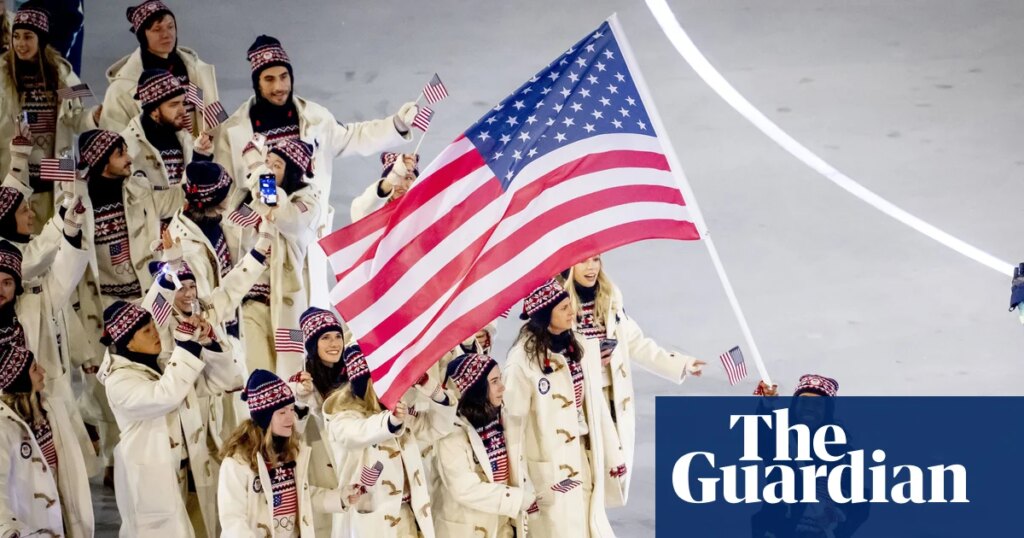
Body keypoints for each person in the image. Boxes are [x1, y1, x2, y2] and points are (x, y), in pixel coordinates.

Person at [214, 35, 418, 307]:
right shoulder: (234, 131)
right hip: (259, 243)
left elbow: (353, 136)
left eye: (284, 77)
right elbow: (224, 192)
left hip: (305, 235)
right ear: (257, 83)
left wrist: (396, 125)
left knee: (307, 318)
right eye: (269, 79)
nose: (279, 87)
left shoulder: (315, 118)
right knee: (260, 319)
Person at [561, 254, 705, 504]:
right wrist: (591, 358)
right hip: (578, 401)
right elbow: (551, 356)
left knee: (607, 472)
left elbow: (636, 343)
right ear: (569, 265)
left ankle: (595, 520)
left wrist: (681, 364)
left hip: (610, 399)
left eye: (596, 259)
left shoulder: (609, 299)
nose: (591, 267)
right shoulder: (558, 305)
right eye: (583, 260)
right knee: (581, 471)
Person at [97, 300, 242, 537]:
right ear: (128, 343)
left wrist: (208, 341)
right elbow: (165, 396)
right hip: (155, 481)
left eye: (153, 326)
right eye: (146, 331)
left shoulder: (164, 363)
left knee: (201, 530)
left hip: (191, 470)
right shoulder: (118, 382)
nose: (156, 333)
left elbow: (221, 381)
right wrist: (186, 348)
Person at [504, 279, 626, 537]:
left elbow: (594, 404)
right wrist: (521, 485)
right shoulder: (521, 361)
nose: (572, 312)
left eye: (571, 305)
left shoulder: (578, 346)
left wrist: (613, 454)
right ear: (545, 316)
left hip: (581, 458)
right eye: (563, 308)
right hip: (547, 468)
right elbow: (512, 428)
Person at [322, 345, 456, 538]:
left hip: (409, 516)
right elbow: (358, 433)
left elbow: (437, 428)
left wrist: (435, 392)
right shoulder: (342, 418)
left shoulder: (396, 409)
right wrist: (391, 421)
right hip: (371, 525)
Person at [218, 369, 361, 537]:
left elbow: (302, 496)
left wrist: (340, 497)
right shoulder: (237, 464)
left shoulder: (290, 453)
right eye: (282, 412)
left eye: (291, 409)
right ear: (264, 418)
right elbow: (233, 522)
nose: (290, 418)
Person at [0, 0, 98, 231]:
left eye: (28, 37)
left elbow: (76, 119)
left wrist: (94, 117)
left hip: (55, 173)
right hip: (13, 174)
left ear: (42, 39)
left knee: (55, 236)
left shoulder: (63, 74)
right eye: (16, 36)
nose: (21, 44)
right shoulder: (2, 75)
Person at [229, 138, 322, 377]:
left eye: (276, 166)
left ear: (292, 172)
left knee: (291, 374)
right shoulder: (254, 198)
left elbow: (284, 215)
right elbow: (233, 226)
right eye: (267, 162)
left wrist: (258, 168)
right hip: (252, 304)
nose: (269, 170)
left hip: (287, 306)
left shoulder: (307, 203)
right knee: (260, 375)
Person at [435, 353, 547, 537]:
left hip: (502, 527)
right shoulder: (451, 433)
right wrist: (517, 499)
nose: (503, 387)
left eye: (500, 378)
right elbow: (464, 489)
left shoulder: (502, 419)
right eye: (494, 381)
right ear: (476, 389)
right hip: (466, 529)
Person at [751, 375, 870, 538]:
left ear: (827, 411)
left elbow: (860, 504)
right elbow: (762, 440)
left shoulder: (842, 453)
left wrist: (837, 516)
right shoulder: (782, 441)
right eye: (804, 401)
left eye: (818, 404)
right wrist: (767, 404)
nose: (810, 408)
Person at [0, 345, 95, 538]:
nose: (43, 371)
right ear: (19, 378)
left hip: (62, 516)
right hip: (28, 524)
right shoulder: (4, 428)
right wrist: (6, 528)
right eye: (35, 369)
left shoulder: (51, 409)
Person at [101, 0, 218, 134]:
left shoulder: (197, 69)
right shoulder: (122, 87)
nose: (166, 34)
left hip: (201, 145)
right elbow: (113, 137)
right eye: (157, 29)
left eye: (170, 27)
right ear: (142, 36)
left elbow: (217, 120)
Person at [287, 307, 349, 535]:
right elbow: (292, 431)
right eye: (325, 338)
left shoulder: (352, 375)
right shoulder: (302, 381)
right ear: (313, 344)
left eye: (337, 336)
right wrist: (301, 400)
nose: (334, 343)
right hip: (322, 469)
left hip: (350, 462)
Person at [121, 68, 212, 201]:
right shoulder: (125, 147)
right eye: (174, 105)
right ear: (154, 110)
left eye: (183, 103)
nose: (183, 111)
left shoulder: (187, 140)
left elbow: (198, 192)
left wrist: (202, 158)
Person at [350, 152, 418, 222]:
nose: (401, 184)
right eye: (397, 177)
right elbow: (361, 210)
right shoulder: (371, 211)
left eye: (408, 178)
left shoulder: (421, 211)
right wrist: (390, 181)